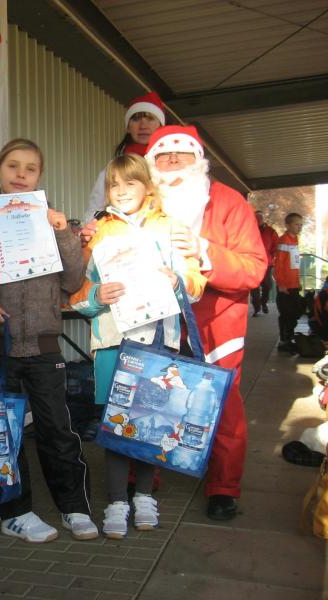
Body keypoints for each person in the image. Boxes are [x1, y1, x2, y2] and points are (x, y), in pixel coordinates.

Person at [0, 138, 95, 542]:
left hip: (44, 344)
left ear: (39, 176)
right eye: (13, 166)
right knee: (6, 431)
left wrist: (64, 234)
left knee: (58, 430)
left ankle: (74, 507)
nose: (21, 174)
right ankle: (14, 512)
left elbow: (73, 281)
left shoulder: (51, 220)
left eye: (30, 168)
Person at [70, 154, 206, 538]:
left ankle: (144, 496)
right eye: (114, 184)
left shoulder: (171, 228)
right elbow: (74, 293)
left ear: (148, 186)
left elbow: (196, 284)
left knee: (151, 423)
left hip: (159, 343)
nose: (122, 191)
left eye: (130, 182)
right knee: (115, 425)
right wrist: (95, 295)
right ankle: (116, 500)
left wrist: (178, 281)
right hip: (113, 342)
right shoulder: (98, 232)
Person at [143, 125, 266, 520]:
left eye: (182, 153)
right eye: (163, 154)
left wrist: (205, 251)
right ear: (151, 163)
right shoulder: (140, 199)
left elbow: (254, 268)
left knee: (222, 406)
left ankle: (224, 487)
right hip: (154, 319)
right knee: (150, 398)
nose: (173, 161)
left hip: (217, 322)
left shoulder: (229, 202)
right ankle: (142, 480)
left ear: (198, 160)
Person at [84, 92, 165, 222]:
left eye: (150, 118)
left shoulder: (170, 165)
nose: (143, 125)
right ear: (128, 127)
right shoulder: (113, 168)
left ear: (161, 125)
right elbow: (94, 210)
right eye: (136, 119)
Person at [273, 212, 304, 350]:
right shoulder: (284, 240)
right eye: (297, 224)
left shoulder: (295, 239)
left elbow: (294, 264)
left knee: (294, 313)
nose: (300, 227)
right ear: (287, 225)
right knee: (286, 314)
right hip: (285, 286)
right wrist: (281, 284)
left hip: (294, 284)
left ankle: (289, 338)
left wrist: (298, 281)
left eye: (301, 225)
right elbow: (278, 264)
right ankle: (284, 341)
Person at [250, 210, 278, 317]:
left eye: (260, 218)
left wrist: (271, 256)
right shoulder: (249, 230)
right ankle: (257, 308)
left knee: (267, 285)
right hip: (252, 263)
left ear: (263, 219)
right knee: (254, 286)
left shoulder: (270, 231)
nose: (258, 220)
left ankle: (263, 301)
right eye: (256, 218)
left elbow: (276, 245)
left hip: (267, 263)